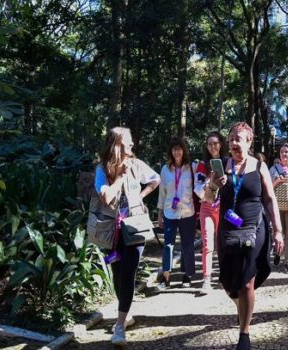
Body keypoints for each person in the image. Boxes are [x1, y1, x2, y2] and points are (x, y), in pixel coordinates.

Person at [210, 122, 284, 350]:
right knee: (227, 283)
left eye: (238, 139)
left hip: (254, 228)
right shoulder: (221, 165)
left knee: (247, 282)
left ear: (249, 142)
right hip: (227, 230)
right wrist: (214, 184)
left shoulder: (259, 166)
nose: (233, 143)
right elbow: (207, 197)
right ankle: (243, 306)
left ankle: (244, 333)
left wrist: (278, 230)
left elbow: (270, 199)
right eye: (231, 138)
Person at [94, 127, 160, 346]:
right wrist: (120, 177)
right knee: (117, 274)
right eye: (128, 142)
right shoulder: (102, 169)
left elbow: (156, 179)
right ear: (116, 145)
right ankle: (126, 313)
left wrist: (141, 196)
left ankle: (119, 326)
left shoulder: (137, 165)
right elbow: (106, 197)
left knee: (128, 273)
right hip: (111, 232)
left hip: (134, 228)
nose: (132, 145)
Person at [157, 137, 197, 290]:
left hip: (188, 213)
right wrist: (160, 215)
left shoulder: (191, 167)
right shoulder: (165, 170)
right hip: (169, 213)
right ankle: (166, 277)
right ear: (171, 152)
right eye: (174, 149)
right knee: (168, 245)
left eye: (179, 148)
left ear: (184, 150)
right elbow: (162, 193)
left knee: (187, 246)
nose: (176, 151)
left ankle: (187, 276)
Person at [194, 131, 227, 294]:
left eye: (215, 143)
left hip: (224, 207)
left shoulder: (228, 162)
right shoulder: (202, 165)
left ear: (221, 144)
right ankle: (206, 279)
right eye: (209, 144)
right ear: (206, 147)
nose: (213, 146)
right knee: (207, 244)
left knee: (223, 242)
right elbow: (197, 188)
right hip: (207, 206)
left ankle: (224, 275)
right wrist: (208, 184)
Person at [269, 143, 288, 273]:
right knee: (279, 233)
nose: (284, 154)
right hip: (277, 206)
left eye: (286, 152)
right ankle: (278, 253)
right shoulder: (274, 169)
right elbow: (268, 188)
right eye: (282, 152)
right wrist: (278, 181)